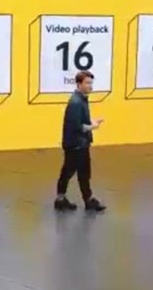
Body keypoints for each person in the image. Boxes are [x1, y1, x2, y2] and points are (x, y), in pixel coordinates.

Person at [54, 70, 106, 212]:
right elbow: (76, 126)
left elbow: (81, 120)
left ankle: (86, 200)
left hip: (79, 144)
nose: (90, 86)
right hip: (75, 145)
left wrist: (91, 121)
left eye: (91, 83)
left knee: (81, 172)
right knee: (70, 172)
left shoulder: (81, 99)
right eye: (87, 83)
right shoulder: (76, 102)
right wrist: (92, 127)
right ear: (79, 84)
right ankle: (64, 199)